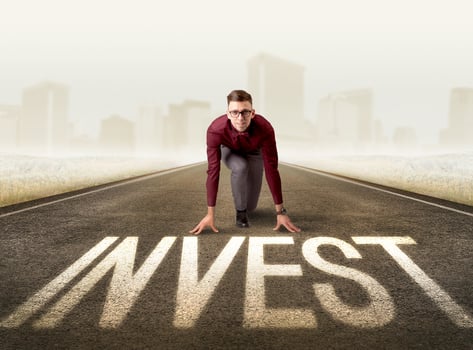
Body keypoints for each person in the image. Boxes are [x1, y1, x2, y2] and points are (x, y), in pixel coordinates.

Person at [189, 89, 301, 235]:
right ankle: (241, 214)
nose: (240, 118)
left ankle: (246, 209)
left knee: (251, 206)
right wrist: (210, 214)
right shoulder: (215, 130)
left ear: (252, 113)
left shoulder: (265, 129)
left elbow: (271, 168)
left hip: (254, 151)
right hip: (229, 149)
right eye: (234, 112)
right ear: (228, 114)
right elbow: (213, 171)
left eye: (245, 112)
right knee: (240, 166)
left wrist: (280, 212)